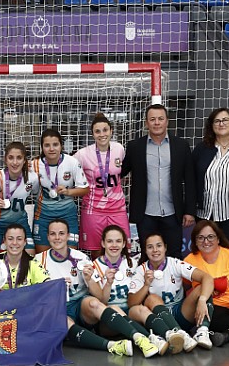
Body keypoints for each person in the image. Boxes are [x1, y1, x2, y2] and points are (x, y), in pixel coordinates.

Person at [36, 219, 157, 357]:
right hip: (57, 307)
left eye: (61, 233)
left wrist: (89, 279)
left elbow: (100, 297)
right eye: (53, 234)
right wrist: (53, 287)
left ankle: (139, 338)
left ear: (68, 236)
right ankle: (112, 346)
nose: (57, 238)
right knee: (64, 323)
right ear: (47, 237)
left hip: (80, 306)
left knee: (94, 303)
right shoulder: (38, 260)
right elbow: (35, 294)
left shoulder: (81, 258)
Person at [121, 104, 196, 260]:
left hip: (173, 212)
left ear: (167, 121)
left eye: (160, 119)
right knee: (147, 257)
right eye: (152, 119)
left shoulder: (181, 146)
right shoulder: (135, 147)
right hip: (145, 213)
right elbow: (120, 172)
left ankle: (174, 286)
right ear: (146, 123)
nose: (157, 123)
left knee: (174, 256)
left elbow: (190, 180)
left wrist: (189, 210)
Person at [84, 225, 171, 356]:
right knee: (114, 308)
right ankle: (146, 337)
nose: (114, 245)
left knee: (141, 309)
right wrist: (108, 283)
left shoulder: (132, 263)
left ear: (124, 243)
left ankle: (165, 336)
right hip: (109, 322)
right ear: (103, 243)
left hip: (130, 313)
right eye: (110, 241)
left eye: (118, 241)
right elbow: (102, 301)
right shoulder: (94, 267)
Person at [131, 232, 215, 350]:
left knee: (203, 288)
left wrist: (202, 300)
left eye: (159, 245)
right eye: (150, 247)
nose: (155, 250)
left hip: (181, 313)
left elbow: (207, 278)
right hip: (160, 320)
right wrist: (146, 285)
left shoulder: (175, 263)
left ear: (165, 247)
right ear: (145, 250)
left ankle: (202, 331)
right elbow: (131, 303)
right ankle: (182, 336)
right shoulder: (141, 270)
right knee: (151, 299)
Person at [191, 107, 229, 256]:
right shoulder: (202, 149)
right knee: (206, 256)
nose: (221, 124)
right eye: (217, 121)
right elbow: (192, 181)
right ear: (211, 126)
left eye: (225, 120)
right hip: (206, 214)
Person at [74, 113, 128, 258]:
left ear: (111, 131)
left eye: (105, 130)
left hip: (117, 208)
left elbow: (123, 172)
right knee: (97, 252)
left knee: (122, 250)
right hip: (94, 210)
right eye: (97, 131)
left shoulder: (119, 149)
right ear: (92, 134)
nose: (102, 134)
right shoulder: (83, 154)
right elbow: (66, 166)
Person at [31, 128, 89, 253]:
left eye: (55, 144)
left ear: (61, 146)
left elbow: (85, 189)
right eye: (47, 145)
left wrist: (68, 192)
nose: (51, 149)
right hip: (43, 214)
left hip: (67, 214)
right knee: (42, 259)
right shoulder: (34, 165)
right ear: (42, 147)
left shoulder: (72, 162)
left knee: (69, 256)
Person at [0, 142, 38, 255]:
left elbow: (37, 195)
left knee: (30, 258)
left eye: (19, 158)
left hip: (19, 222)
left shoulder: (32, 178)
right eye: (11, 158)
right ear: (5, 160)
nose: (15, 162)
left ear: (24, 160)